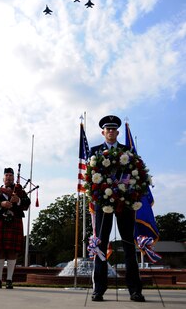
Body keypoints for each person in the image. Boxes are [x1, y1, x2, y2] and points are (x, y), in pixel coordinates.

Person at [89, 115, 145, 302]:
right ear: (103, 132)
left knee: (128, 243)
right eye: (108, 129)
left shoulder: (127, 151)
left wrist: (126, 192)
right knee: (101, 245)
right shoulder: (95, 152)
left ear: (118, 132)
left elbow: (135, 174)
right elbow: (90, 178)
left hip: (124, 201)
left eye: (114, 129)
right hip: (103, 202)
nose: (111, 132)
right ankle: (99, 289)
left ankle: (135, 290)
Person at [0, 167, 31, 289]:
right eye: (7, 176)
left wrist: (19, 200)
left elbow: (27, 202)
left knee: (12, 251)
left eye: (11, 175)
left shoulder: (18, 190)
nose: (9, 177)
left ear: (14, 178)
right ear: (3, 178)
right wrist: (1, 204)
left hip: (14, 222)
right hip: (0, 223)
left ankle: (9, 280)